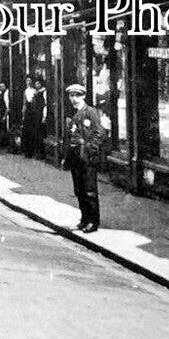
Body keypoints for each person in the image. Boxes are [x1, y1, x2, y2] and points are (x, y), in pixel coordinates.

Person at [64, 83, 106, 233]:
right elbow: (69, 137)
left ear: (83, 96)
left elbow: (100, 133)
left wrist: (90, 149)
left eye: (77, 95)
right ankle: (84, 219)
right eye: (71, 96)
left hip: (87, 157)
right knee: (79, 190)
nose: (74, 99)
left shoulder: (90, 112)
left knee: (89, 190)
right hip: (75, 156)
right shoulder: (73, 114)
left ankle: (93, 222)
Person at [21, 76, 47, 159]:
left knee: (35, 133)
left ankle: (36, 152)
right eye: (27, 80)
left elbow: (40, 102)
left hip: (35, 113)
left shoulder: (36, 91)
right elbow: (25, 103)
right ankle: (28, 152)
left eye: (30, 80)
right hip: (29, 112)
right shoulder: (25, 91)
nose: (28, 82)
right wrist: (23, 113)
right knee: (27, 132)